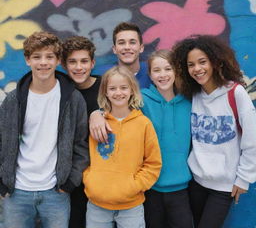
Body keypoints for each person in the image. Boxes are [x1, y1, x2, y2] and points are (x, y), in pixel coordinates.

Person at [0, 31, 89, 228]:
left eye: (49, 57)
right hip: (16, 193)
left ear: (58, 61)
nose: (43, 63)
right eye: (37, 57)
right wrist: (2, 183)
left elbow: (81, 143)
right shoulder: (13, 100)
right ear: (27, 60)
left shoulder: (73, 99)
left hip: (55, 193)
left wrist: (69, 183)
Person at [172, 34, 256, 228]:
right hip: (196, 182)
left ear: (216, 62)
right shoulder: (193, 95)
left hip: (224, 186)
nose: (197, 69)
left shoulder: (236, 93)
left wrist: (244, 179)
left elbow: (252, 140)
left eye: (202, 62)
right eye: (191, 64)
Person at [83, 66, 162, 228]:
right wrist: (91, 180)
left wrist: (134, 186)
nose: (118, 93)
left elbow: (153, 163)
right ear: (105, 92)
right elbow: (85, 155)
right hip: (97, 204)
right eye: (112, 88)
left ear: (132, 90)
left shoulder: (143, 124)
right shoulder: (97, 123)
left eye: (123, 87)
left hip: (131, 206)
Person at [141, 50, 193, 228]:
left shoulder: (189, 102)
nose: (162, 75)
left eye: (168, 69)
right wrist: (97, 114)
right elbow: (115, 112)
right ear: (150, 74)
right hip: (150, 188)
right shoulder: (141, 101)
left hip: (181, 189)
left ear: (176, 71)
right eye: (157, 70)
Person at [89, 22, 151, 142]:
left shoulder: (154, 74)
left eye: (132, 42)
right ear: (114, 49)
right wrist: (94, 114)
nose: (127, 47)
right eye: (121, 43)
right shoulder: (102, 76)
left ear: (141, 47)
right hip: (113, 144)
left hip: (147, 142)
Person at [61, 36, 100, 228]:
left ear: (92, 63)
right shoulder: (59, 92)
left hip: (102, 177)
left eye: (84, 61)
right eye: (72, 62)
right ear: (64, 64)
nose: (79, 67)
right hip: (72, 178)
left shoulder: (107, 88)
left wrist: (99, 112)